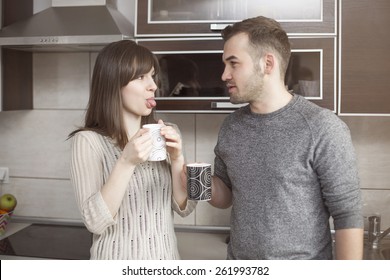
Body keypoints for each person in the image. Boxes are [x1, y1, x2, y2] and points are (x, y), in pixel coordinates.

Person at [210, 16, 364, 260]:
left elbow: (347, 215)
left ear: (267, 63)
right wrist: (184, 168)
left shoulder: (322, 127)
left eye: (233, 63)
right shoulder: (231, 126)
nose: (224, 75)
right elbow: (225, 196)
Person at [68, 40, 196, 260]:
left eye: (152, 76)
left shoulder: (167, 132)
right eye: (140, 77)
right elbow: (95, 222)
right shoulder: (88, 141)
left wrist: (177, 159)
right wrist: (126, 162)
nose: (153, 86)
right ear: (113, 83)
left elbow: (185, 209)